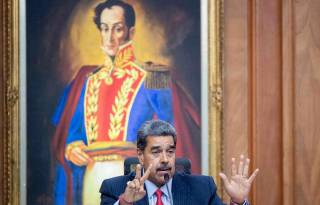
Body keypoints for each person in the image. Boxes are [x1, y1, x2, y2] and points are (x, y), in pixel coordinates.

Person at [51, 1, 178, 204]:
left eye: (117, 28)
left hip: (134, 180)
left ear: (131, 31)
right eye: (104, 28)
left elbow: (170, 133)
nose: (109, 37)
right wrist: (72, 147)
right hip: (91, 178)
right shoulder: (86, 80)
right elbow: (71, 131)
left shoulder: (153, 77)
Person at [100, 120, 259, 205]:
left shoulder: (202, 188)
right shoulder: (114, 188)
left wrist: (238, 202)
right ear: (141, 155)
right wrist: (125, 202)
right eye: (156, 152)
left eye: (170, 151)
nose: (165, 159)